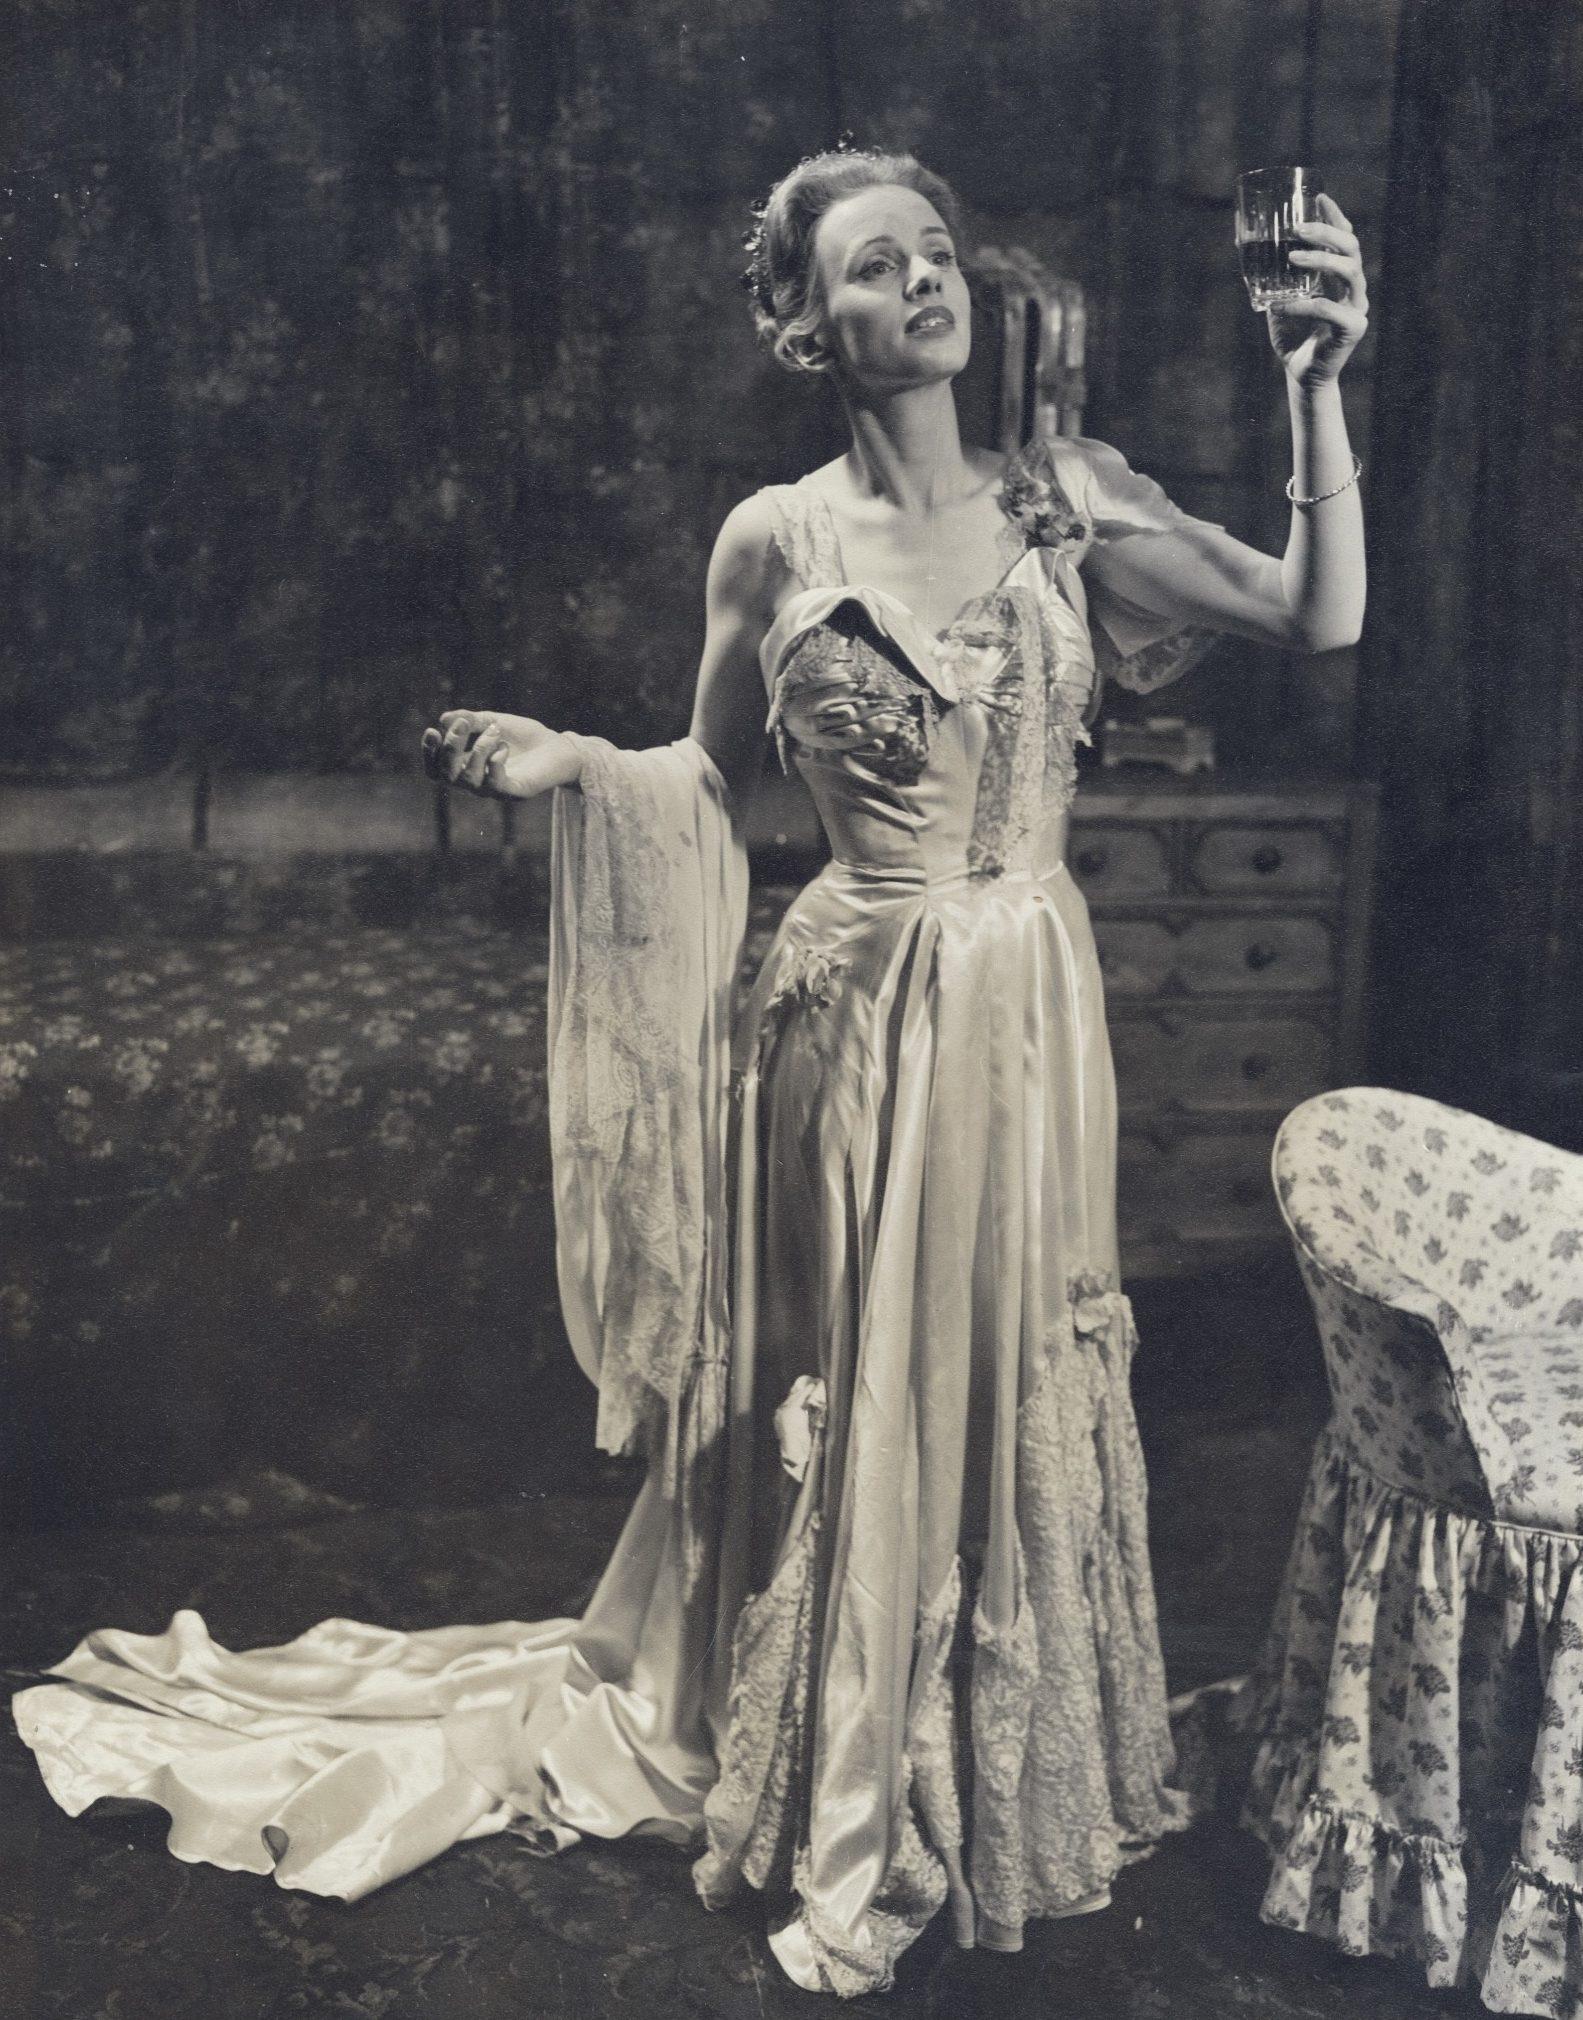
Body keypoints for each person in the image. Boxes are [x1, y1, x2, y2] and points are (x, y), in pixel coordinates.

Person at [13, 148, 1367, 1996]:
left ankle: (977, 1754)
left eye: (938, 254)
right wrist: (579, 765)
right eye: (877, 268)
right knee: (858, 1386)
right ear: (814, 325)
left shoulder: (1069, 501)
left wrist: (1315, 376)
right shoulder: (775, 540)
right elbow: (715, 782)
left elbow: (1317, 613)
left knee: (992, 1361)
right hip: (842, 1015)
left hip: (1023, 1009)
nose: (926, 284)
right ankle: (836, 1777)